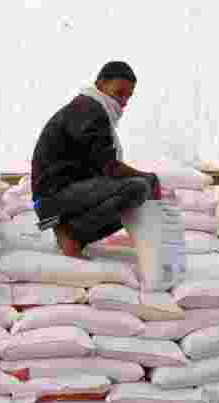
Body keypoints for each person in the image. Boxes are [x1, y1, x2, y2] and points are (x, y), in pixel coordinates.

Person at [30, 60, 161, 258]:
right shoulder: (89, 109)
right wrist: (149, 178)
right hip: (53, 198)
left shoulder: (90, 107)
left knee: (136, 187)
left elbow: (100, 167)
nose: (124, 102)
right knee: (138, 188)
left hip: (58, 196)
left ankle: (69, 232)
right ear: (100, 85)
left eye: (129, 96)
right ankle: (72, 236)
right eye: (119, 93)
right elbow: (110, 168)